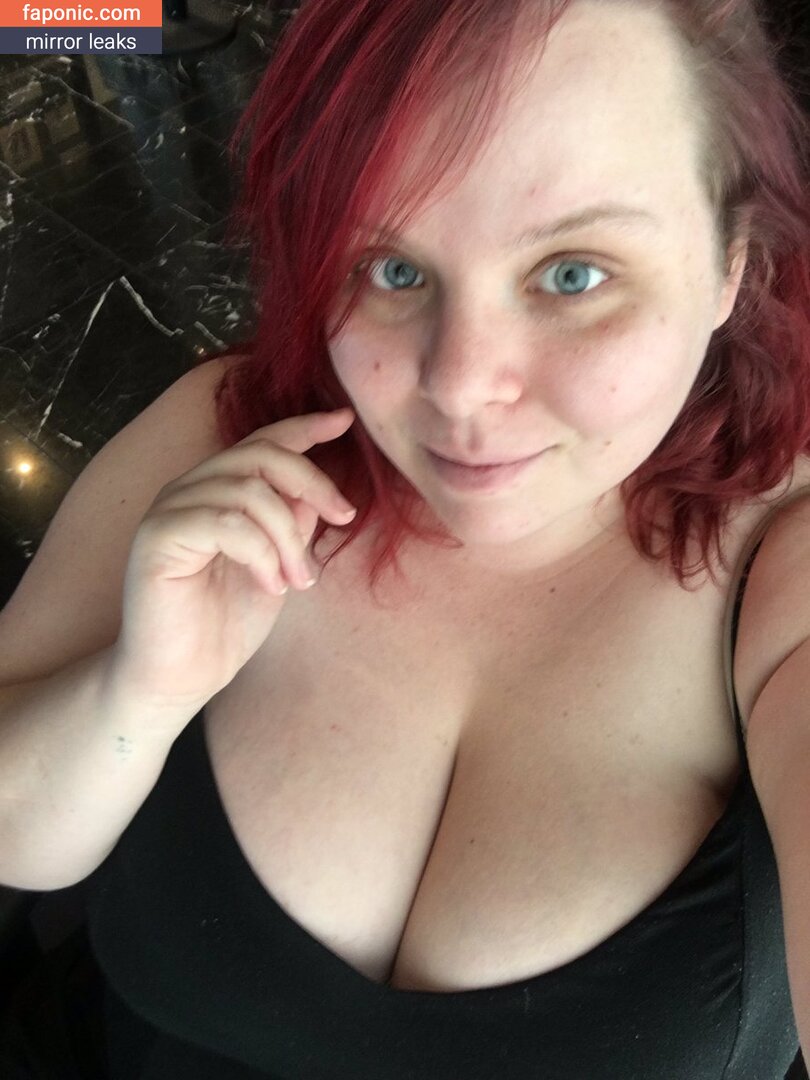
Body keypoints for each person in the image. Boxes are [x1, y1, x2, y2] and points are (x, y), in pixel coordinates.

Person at [1, 0, 809, 1076]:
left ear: (731, 267)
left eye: (573, 273)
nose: (458, 386)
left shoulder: (788, 560)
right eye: (392, 268)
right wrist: (136, 694)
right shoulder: (224, 432)